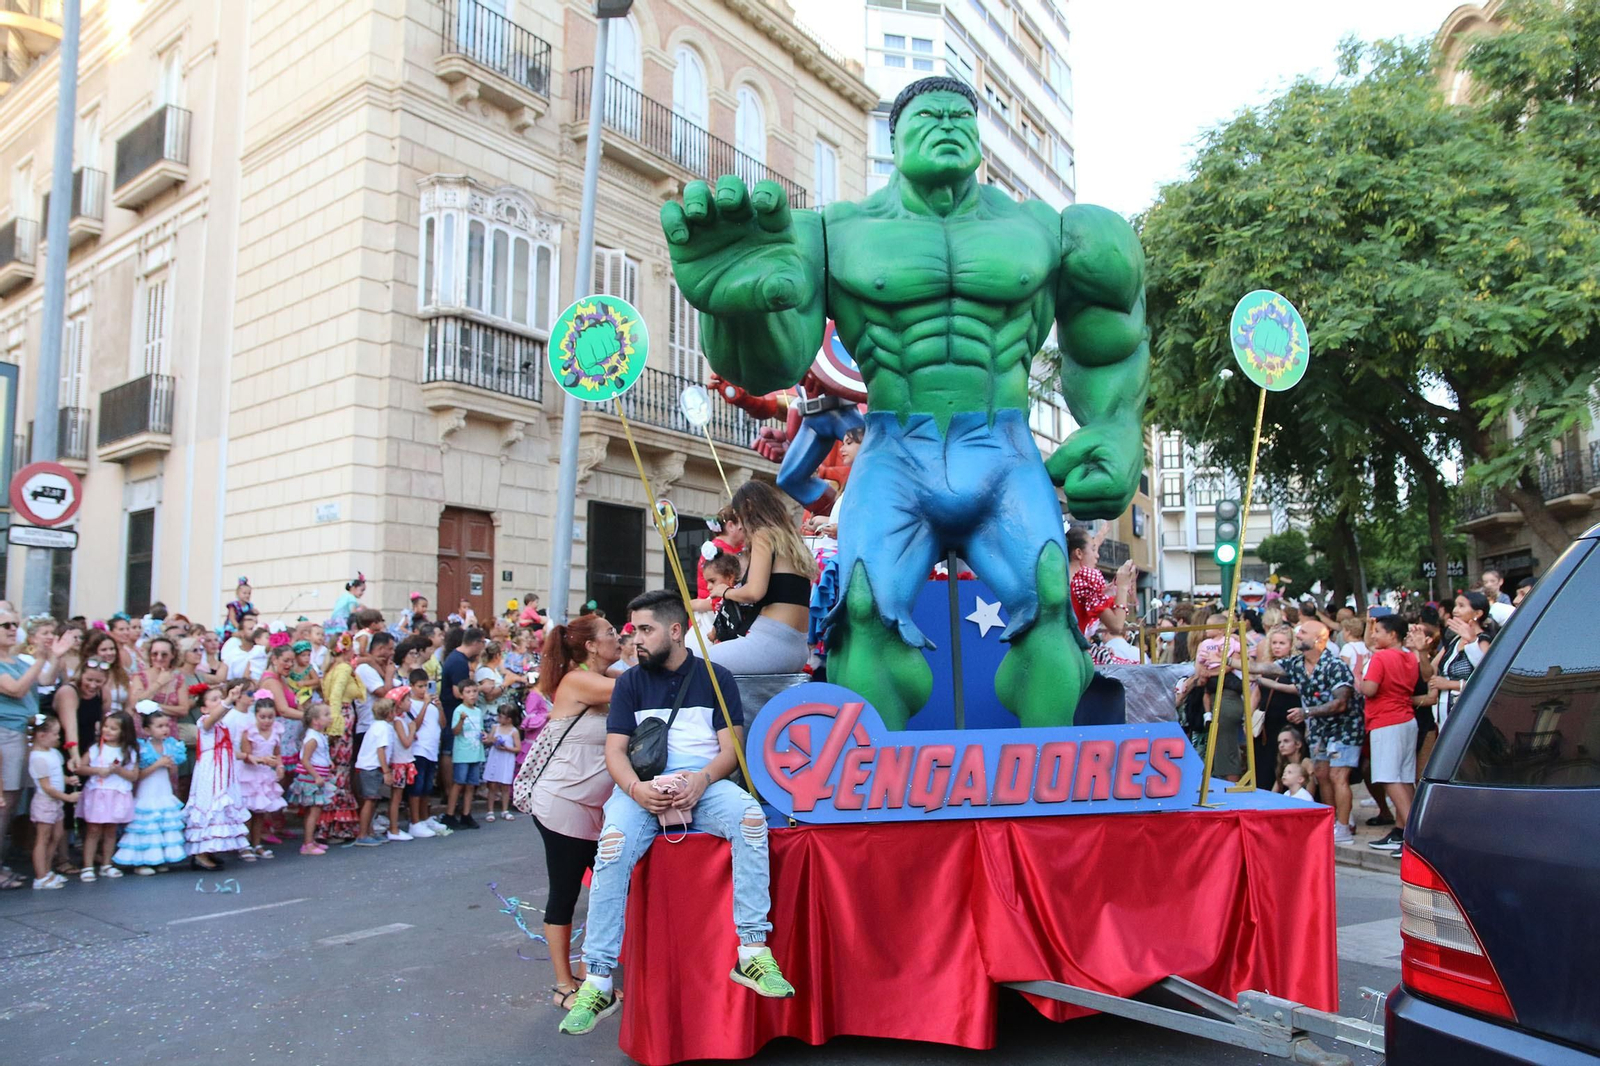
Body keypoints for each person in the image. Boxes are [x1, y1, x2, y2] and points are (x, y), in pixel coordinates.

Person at [558, 590, 793, 1037]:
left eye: (644, 630)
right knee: (611, 848)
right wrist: (635, 789)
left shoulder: (717, 677)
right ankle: (599, 979)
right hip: (642, 790)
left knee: (749, 818)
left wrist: (701, 781)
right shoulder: (628, 682)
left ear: (676, 630)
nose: (635, 639)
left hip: (705, 785)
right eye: (632, 631)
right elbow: (615, 751)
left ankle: (753, 953)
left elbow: (732, 749)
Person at [531, 614, 620, 1009]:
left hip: (592, 805)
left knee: (606, 889)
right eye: (612, 633)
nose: (620, 637)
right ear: (590, 646)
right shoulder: (578, 680)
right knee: (566, 892)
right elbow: (635, 689)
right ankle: (563, 985)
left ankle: (588, 972)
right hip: (562, 802)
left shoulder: (607, 674)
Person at [1247, 621, 1363, 844]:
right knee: (1321, 774)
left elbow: (1341, 703)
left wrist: (1306, 712)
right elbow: (1264, 668)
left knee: (1338, 776)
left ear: (1320, 639)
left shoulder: (1334, 665)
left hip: (1343, 729)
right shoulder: (1297, 663)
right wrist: (1228, 661)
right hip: (1320, 728)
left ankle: (1344, 826)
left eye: (1303, 632)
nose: (1298, 634)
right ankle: (1331, 820)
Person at [707, 480, 814, 674]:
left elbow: (755, 591)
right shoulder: (792, 540)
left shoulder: (763, 535)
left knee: (701, 663)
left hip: (771, 643)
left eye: (739, 518)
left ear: (748, 507)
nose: (741, 527)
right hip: (797, 648)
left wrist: (726, 592)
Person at [1360, 615, 1420, 854]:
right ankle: (1408, 829)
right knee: (1405, 777)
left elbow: (1370, 688)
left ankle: (1412, 836)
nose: (1374, 636)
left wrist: (1360, 682)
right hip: (1406, 719)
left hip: (1385, 720)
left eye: (1378, 631)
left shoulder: (1381, 657)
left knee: (1389, 777)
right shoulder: (1409, 657)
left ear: (1392, 634)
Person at [111, 704, 189, 874]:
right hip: (148, 791)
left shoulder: (172, 745)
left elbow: (173, 771)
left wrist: (171, 765)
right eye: (159, 726)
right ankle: (141, 861)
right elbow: (139, 775)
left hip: (164, 790)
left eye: (166, 726)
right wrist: (158, 764)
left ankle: (159, 857)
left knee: (163, 823)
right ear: (147, 730)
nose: (165, 729)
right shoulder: (143, 748)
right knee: (147, 825)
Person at [184, 685, 251, 869]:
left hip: (223, 771)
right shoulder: (205, 721)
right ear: (204, 708)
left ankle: (210, 849)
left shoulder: (222, 725)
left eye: (219, 698)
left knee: (219, 808)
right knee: (209, 805)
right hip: (211, 771)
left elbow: (229, 749)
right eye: (214, 700)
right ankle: (200, 853)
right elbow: (213, 717)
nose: (219, 702)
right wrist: (228, 700)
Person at [79, 711, 139, 882]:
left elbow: (134, 776)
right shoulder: (96, 748)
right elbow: (80, 767)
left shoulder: (128, 751)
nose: (108, 731)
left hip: (117, 793)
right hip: (98, 792)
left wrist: (119, 770)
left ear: (124, 732)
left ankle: (107, 863)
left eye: (113, 728)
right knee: (93, 829)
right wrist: (98, 770)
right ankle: (88, 865)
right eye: (106, 726)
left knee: (111, 830)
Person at [316, 636, 363, 844]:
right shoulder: (343, 668)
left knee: (336, 771)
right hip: (341, 720)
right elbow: (335, 696)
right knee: (340, 772)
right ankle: (337, 826)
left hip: (338, 719)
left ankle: (329, 825)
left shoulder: (331, 668)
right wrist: (335, 724)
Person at [1428, 591, 1497, 734]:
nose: (1455, 610)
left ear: (1477, 613)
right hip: (1444, 715)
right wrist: (1421, 652)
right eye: (1455, 606)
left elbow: (1488, 677)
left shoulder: (1483, 640)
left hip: (1467, 714)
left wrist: (1449, 684)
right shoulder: (1454, 640)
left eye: (1461, 606)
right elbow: (1432, 669)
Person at [28, 716, 80, 890]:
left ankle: (47, 869)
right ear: (42, 735)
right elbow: (47, 787)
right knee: (43, 838)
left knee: (56, 835)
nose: (59, 737)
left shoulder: (53, 753)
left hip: (56, 801)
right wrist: (68, 798)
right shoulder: (37, 758)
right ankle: (40, 876)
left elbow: (56, 776)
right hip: (46, 801)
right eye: (56, 734)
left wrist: (68, 780)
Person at [237, 695, 288, 860]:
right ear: (256, 715)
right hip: (250, 775)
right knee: (248, 812)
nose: (267, 721)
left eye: (270, 717)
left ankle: (257, 843)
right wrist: (263, 760)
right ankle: (244, 846)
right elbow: (247, 756)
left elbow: (277, 753)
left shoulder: (276, 731)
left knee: (261, 813)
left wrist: (279, 766)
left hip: (265, 775)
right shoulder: (249, 732)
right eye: (263, 717)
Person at [400, 670, 447, 837]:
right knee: (417, 787)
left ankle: (425, 817)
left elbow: (442, 724)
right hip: (418, 749)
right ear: (411, 686)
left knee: (427, 786)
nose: (423, 689)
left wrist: (439, 707)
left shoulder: (433, 703)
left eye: (425, 686)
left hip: (432, 750)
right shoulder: (411, 704)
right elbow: (415, 725)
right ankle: (415, 821)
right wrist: (426, 705)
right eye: (420, 686)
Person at [287, 703, 335, 856]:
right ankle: (307, 844)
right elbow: (305, 759)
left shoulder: (319, 735)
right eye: (326, 715)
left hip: (317, 776)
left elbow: (319, 755)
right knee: (313, 811)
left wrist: (328, 762)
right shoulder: (312, 738)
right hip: (312, 779)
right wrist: (316, 776)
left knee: (314, 810)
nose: (330, 717)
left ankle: (310, 840)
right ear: (315, 721)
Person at [352, 697, 397, 846]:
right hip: (371, 767)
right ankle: (363, 834)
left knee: (373, 800)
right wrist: (386, 771)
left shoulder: (376, 726)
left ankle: (369, 832)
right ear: (389, 713)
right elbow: (380, 750)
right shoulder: (383, 728)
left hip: (368, 767)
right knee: (370, 800)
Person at [445, 678, 486, 829]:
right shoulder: (459, 710)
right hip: (463, 753)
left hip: (476, 752)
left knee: (471, 785)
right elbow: (455, 731)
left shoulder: (478, 711)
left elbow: (480, 730)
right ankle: (449, 814)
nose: (472, 695)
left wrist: (484, 735)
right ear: (462, 695)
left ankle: (466, 814)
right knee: (459, 783)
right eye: (468, 692)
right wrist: (461, 720)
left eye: (475, 691)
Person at [696, 505, 747, 600]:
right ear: (730, 526)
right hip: (714, 604)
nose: (746, 531)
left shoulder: (732, 548)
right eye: (742, 527)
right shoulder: (721, 551)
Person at [482, 706, 520, 821]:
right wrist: (489, 739)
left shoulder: (514, 731)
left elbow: (518, 748)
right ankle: (490, 810)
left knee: (505, 786)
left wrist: (507, 748)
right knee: (492, 785)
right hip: (495, 758)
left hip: (506, 760)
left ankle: (505, 809)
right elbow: (489, 740)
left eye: (501, 716)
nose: (498, 718)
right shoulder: (495, 727)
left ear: (509, 719)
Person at [1271, 727, 1316, 799]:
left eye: (1286, 741)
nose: (1281, 745)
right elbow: (1273, 793)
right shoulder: (1284, 765)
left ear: (1298, 744)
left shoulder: (1306, 763)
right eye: (1279, 742)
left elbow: (1309, 796)